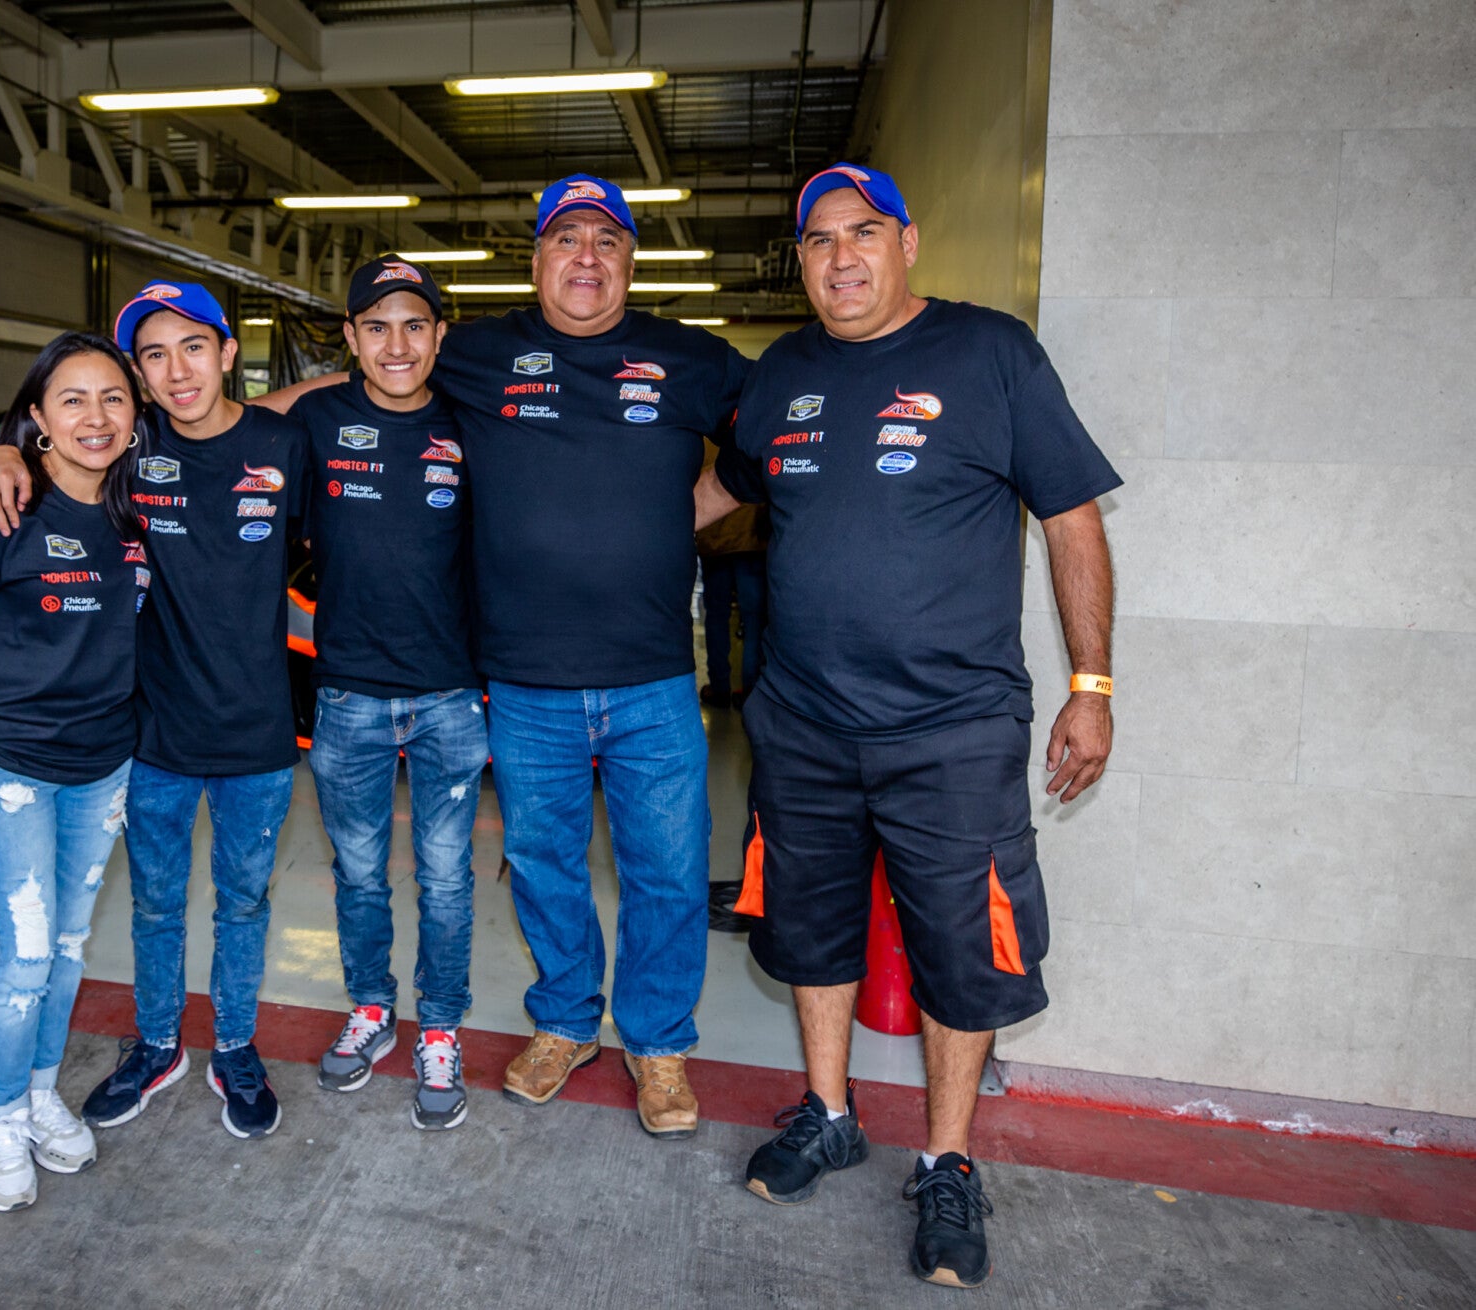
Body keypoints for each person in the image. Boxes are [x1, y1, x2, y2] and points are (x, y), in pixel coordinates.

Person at [695, 162, 1120, 1289]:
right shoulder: (782, 374)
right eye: (818, 240)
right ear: (799, 261)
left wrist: (1091, 684)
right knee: (810, 932)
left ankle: (945, 1159)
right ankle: (828, 1112)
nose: (841, 257)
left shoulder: (990, 353)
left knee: (962, 952)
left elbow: (1071, 517)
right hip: (802, 722)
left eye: (863, 232)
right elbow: (719, 492)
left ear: (906, 242)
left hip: (950, 728)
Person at [267, 177, 751, 1135]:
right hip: (526, 680)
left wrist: (683, 514)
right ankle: (565, 1024)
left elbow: (773, 434)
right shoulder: (477, 351)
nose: (585, 257)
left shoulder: (690, 357)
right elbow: (333, 393)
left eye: (605, 240)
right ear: (535, 261)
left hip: (653, 677)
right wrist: (43, 442)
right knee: (541, 864)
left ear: (630, 259)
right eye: (565, 239)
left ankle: (657, 1045)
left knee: (665, 871)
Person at [0, 282, 308, 1141]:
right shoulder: (126, 443)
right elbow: (51, 430)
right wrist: (1, 452)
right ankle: (157, 1044)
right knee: (154, 904)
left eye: (193, 347)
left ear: (228, 353)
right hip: (149, 734)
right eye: (154, 355)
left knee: (243, 905)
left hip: (259, 732)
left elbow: (348, 401)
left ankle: (234, 1048)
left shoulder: (283, 444)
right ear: (139, 376)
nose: (176, 369)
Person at [0, 331, 147, 1212]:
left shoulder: (138, 506)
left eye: (113, 397)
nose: (95, 417)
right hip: (6, 762)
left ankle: (39, 1094)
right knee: (26, 956)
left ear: (136, 414)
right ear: (38, 416)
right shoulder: (1, 505)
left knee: (69, 951)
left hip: (102, 764)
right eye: (72, 399)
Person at [293, 258, 486, 1131]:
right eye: (376, 327)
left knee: (446, 879)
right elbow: (217, 433)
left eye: (414, 325)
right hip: (348, 696)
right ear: (350, 338)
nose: (396, 344)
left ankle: (439, 1027)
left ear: (439, 336)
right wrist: (12, 445)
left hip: (452, 695)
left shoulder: (473, 422)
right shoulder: (316, 420)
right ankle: (371, 1007)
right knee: (360, 874)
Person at [696, 444, 767, 707]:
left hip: (714, 540)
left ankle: (719, 688)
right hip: (750, 539)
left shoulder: (705, 436)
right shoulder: (750, 431)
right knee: (753, 621)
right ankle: (749, 690)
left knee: (716, 616)